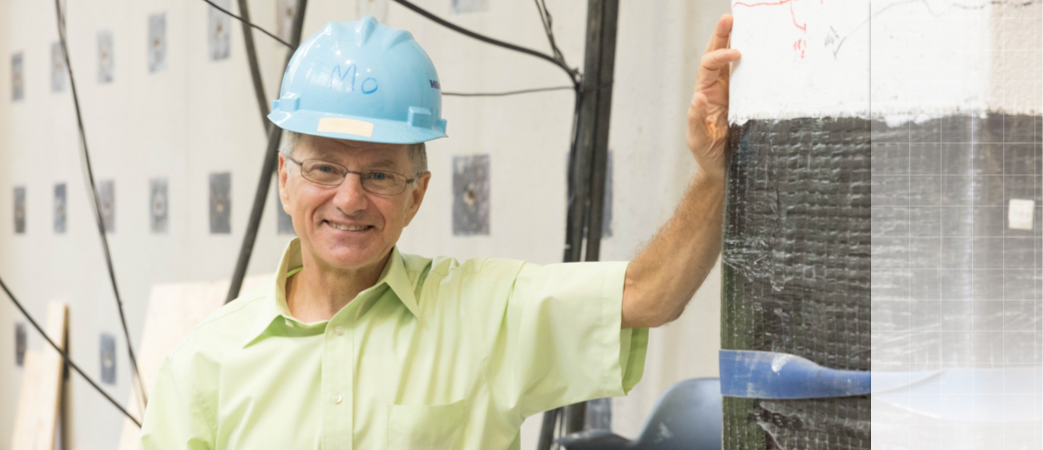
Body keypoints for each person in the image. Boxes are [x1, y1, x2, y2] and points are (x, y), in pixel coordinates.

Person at [139, 13, 740, 450]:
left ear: (416, 196)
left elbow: (651, 294)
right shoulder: (206, 363)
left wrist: (713, 177)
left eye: (379, 174)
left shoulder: (483, 314)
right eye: (325, 167)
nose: (349, 198)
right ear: (285, 179)